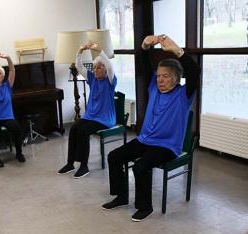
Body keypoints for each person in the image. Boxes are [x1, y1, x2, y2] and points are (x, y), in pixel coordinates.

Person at [103, 34, 199, 222]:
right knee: (114, 157)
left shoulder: (183, 95)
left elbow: (194, 72)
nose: (160, 80)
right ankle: (121, 197)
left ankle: (144, 207)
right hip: (145, 140)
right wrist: (145, 45)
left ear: (177, 79)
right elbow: (143, 66)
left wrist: (176, 50)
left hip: (167, 147)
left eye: (166, 77)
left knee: (140, 166)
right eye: (159, 76)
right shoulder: (153, 89)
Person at [58, 42, 117, 178]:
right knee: (73, 128)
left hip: (105, 119)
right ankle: (70, 163)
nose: (95, 70)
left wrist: (100, 50)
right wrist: (79, 51)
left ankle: (84, 166)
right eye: (94, 68)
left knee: (84, 131)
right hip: (90, 116)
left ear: (104, 70)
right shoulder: (92, 79)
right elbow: (79, 67)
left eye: (98, 68)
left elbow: (109, 65)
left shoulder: (110, 80)